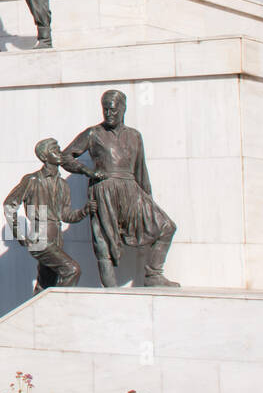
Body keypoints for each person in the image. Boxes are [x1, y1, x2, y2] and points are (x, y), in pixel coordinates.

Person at [61, 90, 179, 288]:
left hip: (131, 189)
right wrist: (87, 171)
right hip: (104, 190)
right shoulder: (93, 133)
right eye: (105, 109)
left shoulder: (134, 136)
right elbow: (65, 156)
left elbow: (141, 169)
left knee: (166, 226)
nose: (108, 114)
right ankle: (111, 289)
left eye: (113, 110)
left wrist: (147, 198)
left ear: (123, 109)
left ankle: (153, 274)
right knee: (103, 242)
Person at [3, 138, 92, 291]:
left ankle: (37, 312)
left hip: (56, 238)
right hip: (40, 236)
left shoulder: (63, 185)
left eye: (58, 148)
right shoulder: (32, 180)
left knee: (46, 284)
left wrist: (85, 210)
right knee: (72, 270)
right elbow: (9, 205)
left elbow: (66, 215)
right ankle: (57, 310)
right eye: (54, 149)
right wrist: (20, 234)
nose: (59, 152)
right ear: (44, 156)